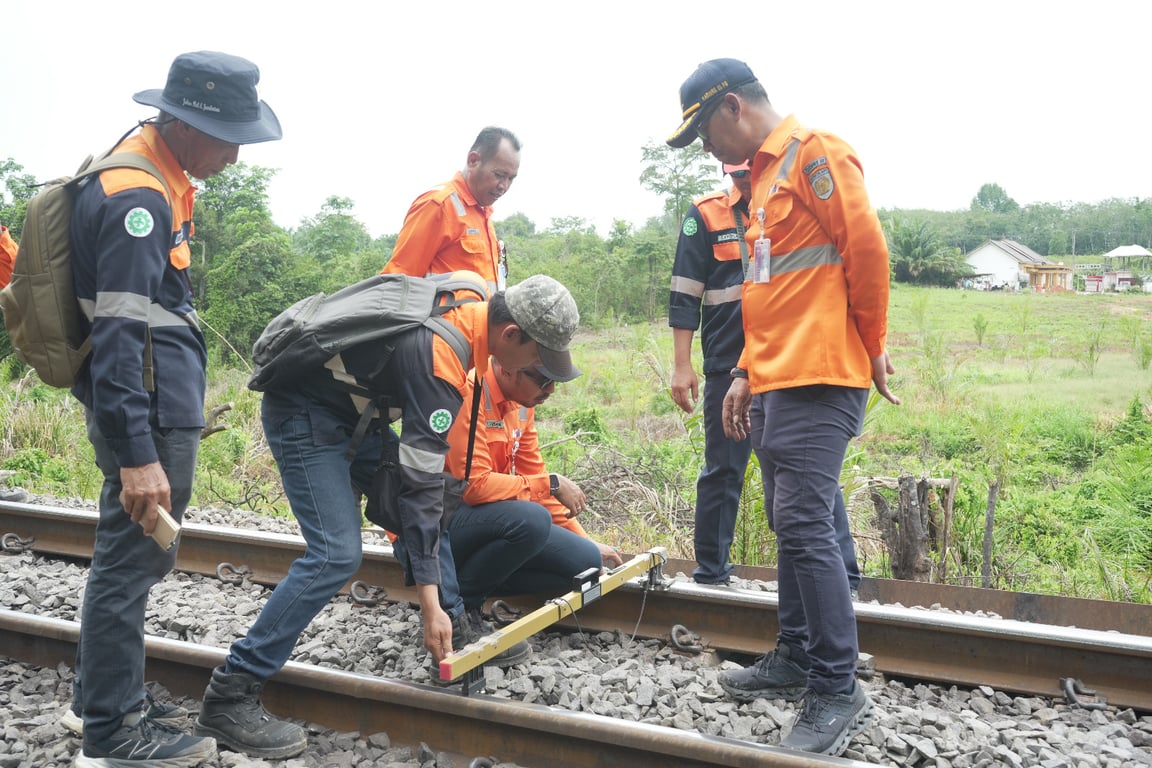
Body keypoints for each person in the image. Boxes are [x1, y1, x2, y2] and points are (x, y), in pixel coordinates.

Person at [196, 274, 579, 752]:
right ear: (510, 334)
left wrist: (440, 606)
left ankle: (455, 631)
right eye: (540, 362)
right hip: (306, 414)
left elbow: (427, 498)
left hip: (356, 413)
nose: (545, 377)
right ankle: (231, 694)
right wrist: (429, 605)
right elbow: (419, 492)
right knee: (335, 554)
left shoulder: (474, 298)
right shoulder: (442, 359)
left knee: (431, 506)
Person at [667, 58, 898, 757]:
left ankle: (836, 684)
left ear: (732, 106)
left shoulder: (814, 155)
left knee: (802, 520)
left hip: (820, 375)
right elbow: (771, 295)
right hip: (774, 377)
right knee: (789, 518)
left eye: (704, 132)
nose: (705, 148)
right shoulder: (762, 183)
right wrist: (742, 371)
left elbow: (868, 252)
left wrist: (875, 344)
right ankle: (797, 653)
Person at [64, 51, 282, 768]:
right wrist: (136, 454)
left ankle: (104, 694)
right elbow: (121, 336)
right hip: (147, 415)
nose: (239, 154)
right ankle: (112, 730)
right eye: (233, 137)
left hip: (153, 406)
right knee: (131, 564)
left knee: (130, 560)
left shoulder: (151, 169)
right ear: (188, 126)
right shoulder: (139, 199)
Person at [669, 163, 863, 591]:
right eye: (736, 172)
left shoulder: (784, 209)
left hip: (782, 360)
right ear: (725, 167)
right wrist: (682, 365)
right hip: (726, 364)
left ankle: (845, 578)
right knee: (723, 468)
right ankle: (711, 573)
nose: (743, 178)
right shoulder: (705, 214)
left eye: (749, 170)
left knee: (807, 470)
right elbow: (684, 293)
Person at [438, 356, 624, 637]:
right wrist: (550, 483)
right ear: (506, 367)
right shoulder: (469, 392)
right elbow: (475, 488)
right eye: (543, 380)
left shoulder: (522, 405)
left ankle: (464, 585)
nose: (550, 391)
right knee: (531, 520)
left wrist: (584, 540)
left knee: (584, 561)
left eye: (554, 382)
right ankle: (458, 607)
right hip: (440, 522)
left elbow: (534, 476)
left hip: (492, 520)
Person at [382, 126, 521, 293]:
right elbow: (398, 281)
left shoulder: (483, 214)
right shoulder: (438, 205)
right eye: (499, 175)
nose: (504, 186)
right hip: (441, 320)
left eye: (511, 179)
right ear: (473, 160)